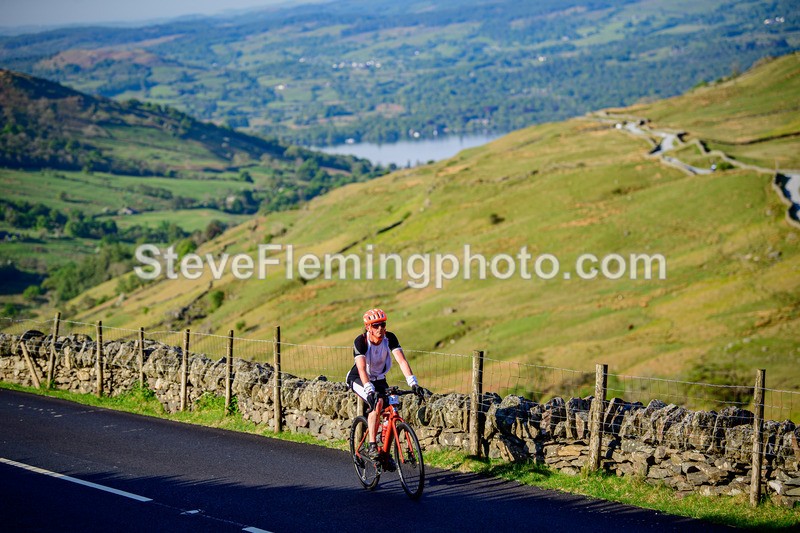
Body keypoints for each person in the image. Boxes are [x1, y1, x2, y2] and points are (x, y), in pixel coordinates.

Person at [346, 308, 423, 459]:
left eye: (382, 324)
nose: (380, 328)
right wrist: (369, 390)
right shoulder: (361, 341)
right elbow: (361, 369)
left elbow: (401, 360)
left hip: (379, 378)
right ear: (368, 327)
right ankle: (372, 445)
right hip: (358, 378)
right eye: (375, 325)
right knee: (378, 402)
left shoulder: (390, 338)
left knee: (392, 404)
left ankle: (385, 453)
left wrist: (413, 383)